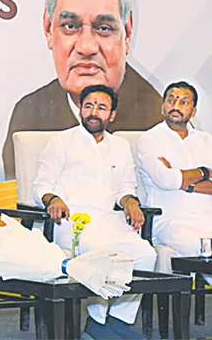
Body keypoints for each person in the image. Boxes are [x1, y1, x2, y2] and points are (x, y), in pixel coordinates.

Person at [3, 0, 162, 179]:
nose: (86, 47)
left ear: (127, 33)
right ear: (48, 28)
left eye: (104, 28)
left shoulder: (159, 119)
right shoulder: (29, 115)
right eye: (70, 26)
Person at [33, 84, 155, 339]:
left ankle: (119, 319)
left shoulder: (120, 145)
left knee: (145, 254)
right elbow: (41, 185)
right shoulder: (61, 141)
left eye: (101, 107)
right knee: (102, 254)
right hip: (72, 221)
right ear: (80, 109)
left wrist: (130, 202)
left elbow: (125, 186)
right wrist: (53, 199)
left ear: (112, 115)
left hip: (108, 219)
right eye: (88, 106)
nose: (93, 112)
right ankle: (96, 322)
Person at [136, 81, 212, 281]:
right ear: (163, 106)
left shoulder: (207, 140)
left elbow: (174, 178)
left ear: (193, 111)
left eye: (184, 102)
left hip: (207, 217)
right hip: (171, 222)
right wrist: (206, 171)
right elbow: (166, 180)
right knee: (202, 248)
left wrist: (187, 181)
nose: (176, 106)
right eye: (171, 100)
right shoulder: (150, 139)